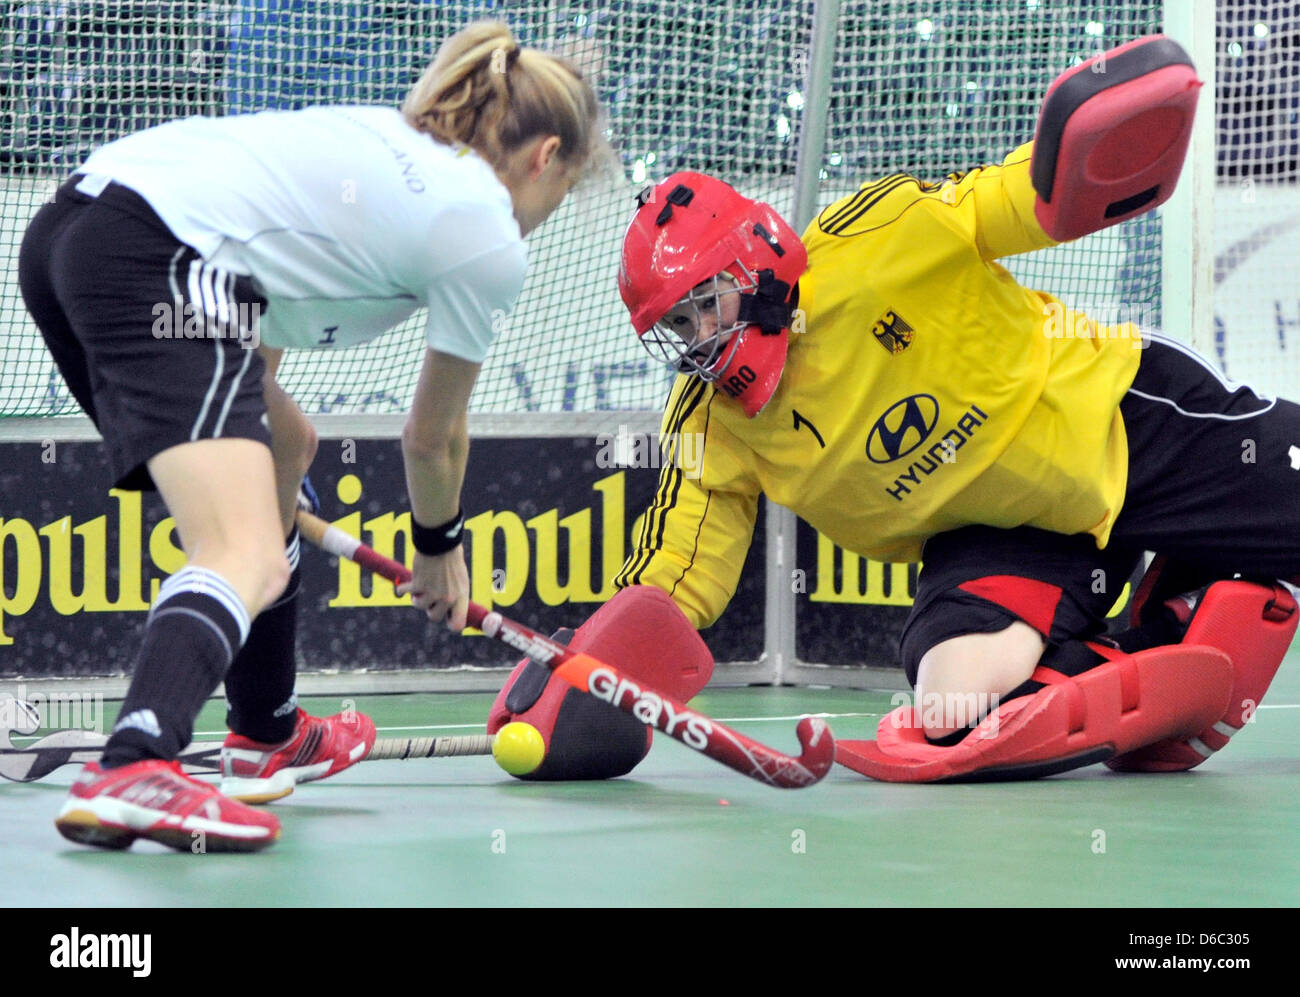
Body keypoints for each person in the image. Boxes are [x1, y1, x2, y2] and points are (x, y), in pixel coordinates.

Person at [491, 35, 1300, 783]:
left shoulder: (878, 243)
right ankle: (1174, 628)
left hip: (1115, 421)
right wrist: (593, 668)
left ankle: (1199, 586)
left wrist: (1083, 155)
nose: (696, 339)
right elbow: (674, 578)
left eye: (706, 304)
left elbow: (1002, 202)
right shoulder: (710, 424)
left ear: (759, 264)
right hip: (1002, 531)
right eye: (674, 326)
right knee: (952, 705)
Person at [18, 20, 600, 849]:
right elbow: (433, 437)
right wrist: (440, 547)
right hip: (155, 257)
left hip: (69, 236)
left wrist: (274, 476)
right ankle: (135, 761)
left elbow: (259, 338)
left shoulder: (379, 143)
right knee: (242, 549)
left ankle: (265, 731)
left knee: (285, 451)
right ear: (545, 157)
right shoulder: (483, 232)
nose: (551, 211)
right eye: (567, 188)